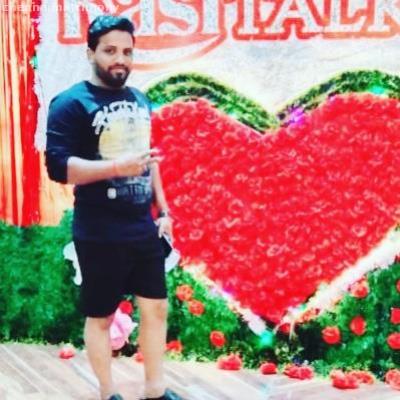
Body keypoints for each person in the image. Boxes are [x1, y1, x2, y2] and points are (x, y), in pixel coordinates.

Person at [45, 14, 180, 400]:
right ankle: (108, 392)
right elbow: (58, 168)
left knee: (156, 308)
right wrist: (117, 167)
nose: (120, 59)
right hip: (99, 230)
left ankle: (155, 390)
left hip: (142, 226)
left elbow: (150, 161)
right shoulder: (70, 103)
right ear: (91, 53)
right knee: (101, 315)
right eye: (110, 51)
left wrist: (164, 211)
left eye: (127, 51)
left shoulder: (140, 99)